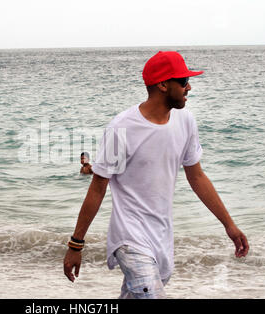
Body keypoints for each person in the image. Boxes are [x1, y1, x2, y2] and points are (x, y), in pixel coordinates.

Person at [63, 51, 249, 299]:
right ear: (163, 84)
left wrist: (229, 225)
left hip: (161, 238)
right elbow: (98, 187)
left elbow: (197, 177)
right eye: (183, 81)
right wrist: (76, 244)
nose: (189, 87)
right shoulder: (122, 128)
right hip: (130, 239)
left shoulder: (185, 121)